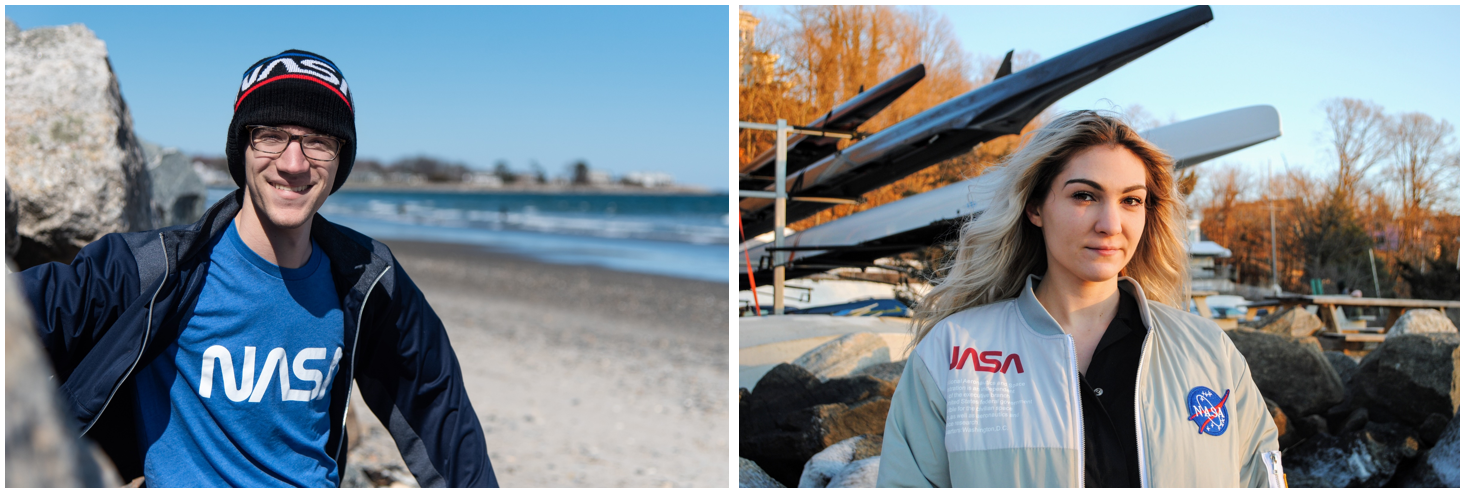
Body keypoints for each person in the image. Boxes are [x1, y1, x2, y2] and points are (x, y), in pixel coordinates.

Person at [15, 49, 498, 487]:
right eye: (270, 136)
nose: (293, 163)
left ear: (339, 160)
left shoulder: (366, 280)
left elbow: (441, 410)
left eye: (318, 142)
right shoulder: (154, 269)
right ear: (242, 148)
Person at [876, 111, 1283, 488]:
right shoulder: (953, 353)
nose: (1111, 225)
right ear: (1035, 206)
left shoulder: (1211, 353)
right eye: (1085, 196)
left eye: (1131, 200)